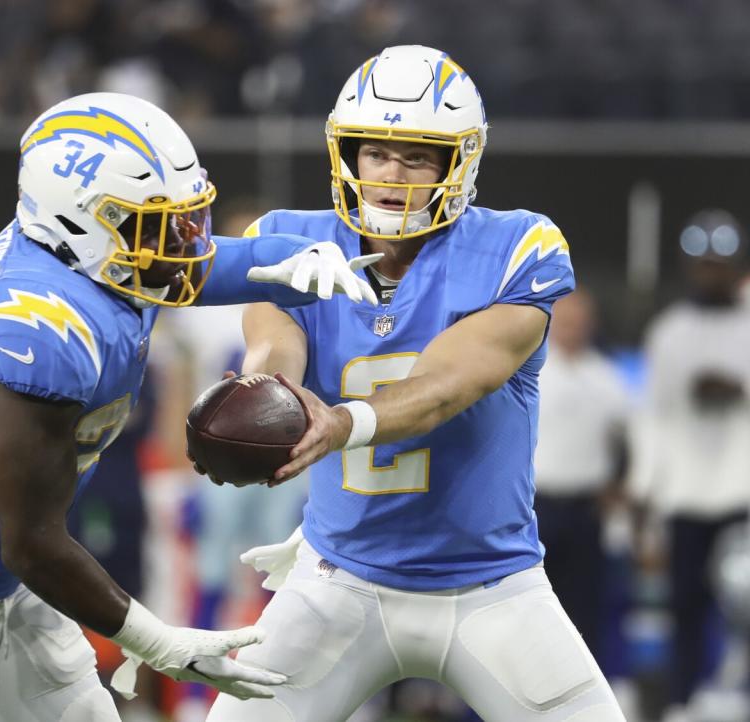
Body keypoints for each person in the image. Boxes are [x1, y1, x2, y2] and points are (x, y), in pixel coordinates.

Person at [0, 92, 380, 722]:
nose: (180, 240)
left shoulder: (101, 258)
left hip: (9, 597)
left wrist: (298, 257)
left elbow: (208, 262)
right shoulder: (39, 321)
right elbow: (31, 541)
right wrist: (159, 641)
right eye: (156, 222)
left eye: (181, 218)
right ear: (80, 223)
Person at [202, 46, 626, 722]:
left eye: (417, 156)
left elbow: (444, 387)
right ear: (348, 156)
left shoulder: (519, 248)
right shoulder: (288, 242)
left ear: (459, 163)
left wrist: (335, 423)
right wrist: (268, 396)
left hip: (492, 589)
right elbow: (273, 345)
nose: (392, 174)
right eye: (376, 153)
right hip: (337, 580)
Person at [628, 209, 750, 722]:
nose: (711, 273)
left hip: (743, 491)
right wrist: (642, 489)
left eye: (720, 264)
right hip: (685, 495)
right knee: (684, 608)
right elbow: (651, 416)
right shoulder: (669, 333)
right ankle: (681, 705)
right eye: (703, 265)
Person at [533, 288, 629, 663]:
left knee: (586, 605)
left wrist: (618, 487)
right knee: (529, 604)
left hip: (587, 507)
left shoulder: (607, 377)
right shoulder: (531, 369)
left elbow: (628, 440)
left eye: (580, 319)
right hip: (536, 505)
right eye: (566, 319)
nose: (573, 327)